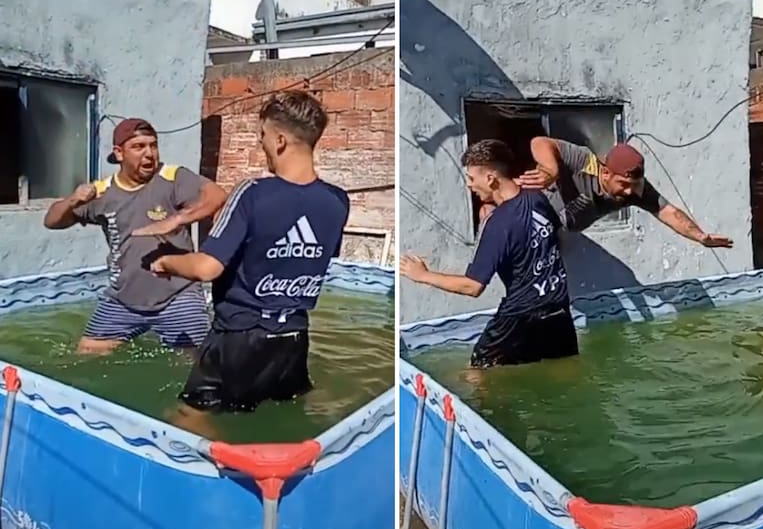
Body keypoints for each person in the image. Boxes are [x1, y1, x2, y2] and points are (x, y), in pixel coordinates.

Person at [151, 92, 350, 418]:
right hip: (294, 338)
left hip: (240, 337)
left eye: (263, 137)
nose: (262, 145)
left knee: (188, 418)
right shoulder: (338, 201)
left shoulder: (252, 194)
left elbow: (206, 267)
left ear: (280, 140)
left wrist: (166, 261)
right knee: (284, 413)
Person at [42, 117, 227, 355]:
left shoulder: (173, 177)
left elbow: (216, 195)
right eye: (139, 147)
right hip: (122, 300)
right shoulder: (102, 192)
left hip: (178, 297)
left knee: (198, 367)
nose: (149, 154)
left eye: (153, 145)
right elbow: (52, 221)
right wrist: (73, 200)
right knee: (82, 360)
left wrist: (176, 219)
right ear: (119, 153)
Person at [399, 139, 578, 368]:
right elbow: (551, 234)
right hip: (557, 307)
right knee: (563, 370)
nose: (469, 185)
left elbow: (473, 287)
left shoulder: (498, 225)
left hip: (518, 316)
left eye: (472, 178)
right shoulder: (537, 198)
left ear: (491, 179)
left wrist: (422, 275)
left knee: (478, 370)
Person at [512, 137, 733, 249]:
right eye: (623, 183)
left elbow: (668, 211)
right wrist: (551, 169)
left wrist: (700, 236)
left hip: (557, 228)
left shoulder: (637, 190)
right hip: (530, 207)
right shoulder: (583, 160)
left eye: (635, 184)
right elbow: (539, 142)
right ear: (606, 172)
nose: (629, 191)